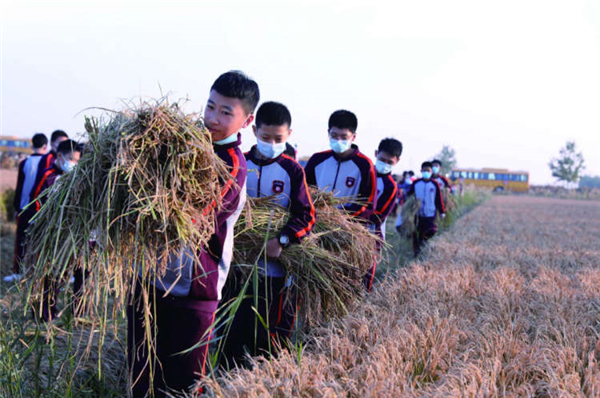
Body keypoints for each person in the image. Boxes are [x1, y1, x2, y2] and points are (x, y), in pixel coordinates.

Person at [127, 71, 258, 398]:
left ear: (246, 120)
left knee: (183, 385)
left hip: (195, 289)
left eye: (226, 112)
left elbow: (188, 218)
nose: (212, 118)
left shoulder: (232, 166)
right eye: (210, 106)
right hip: (148, 278)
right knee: (141, 377)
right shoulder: (180, 144)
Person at [221, 101, 315, 367]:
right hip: (236, 264)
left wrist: (282, 240)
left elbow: (306, 215)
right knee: (231, 330)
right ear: (254, 131)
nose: (271, 143)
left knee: (268, 335)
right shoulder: (239, 163)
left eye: (278, 139)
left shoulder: (293, 170)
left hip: (274, 270)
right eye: (265, 137)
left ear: (289, 135)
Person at [28, 139, 82, 321]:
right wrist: (40, 224)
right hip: (48, 234)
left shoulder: (75, 177)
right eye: (70, 159)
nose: (73, 164)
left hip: (66, 235)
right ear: (59, 156)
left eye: (76, 161)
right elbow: (35, 199)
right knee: (46, 274)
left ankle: (51, 308)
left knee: (61, 274)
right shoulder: (49, 175)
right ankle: (41, 312)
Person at [304, 110, 376, 222]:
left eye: (344, 137)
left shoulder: (365, 165)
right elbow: (305, 190)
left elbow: (368, 203)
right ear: (328, 133)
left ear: (353, 137)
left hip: (347, 226)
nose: (338, 140)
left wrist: (342, 217)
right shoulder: (317, 160)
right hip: (315, 221)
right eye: (334, 135)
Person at [5, 133, 48, 283]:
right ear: (45, 146)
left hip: (24, 207)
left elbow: (19, 187)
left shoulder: (25, 163)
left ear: (31, 146)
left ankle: (18, 271)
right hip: (42, 208)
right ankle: (39, 271)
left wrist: (17, 206)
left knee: (21, 240)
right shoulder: (49, 162)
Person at [366, 138, 402, 290]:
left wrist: (355, 216)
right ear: (375, 153)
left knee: (365, 271)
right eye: (382, 160)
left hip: (371, 234)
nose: (385, 164)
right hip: (348, 227)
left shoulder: (390, 186)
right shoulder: (364, 173)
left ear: (397, 161)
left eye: (389, 162)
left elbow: (379, 216)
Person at [408, 161, 445, 256]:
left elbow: (438, 198)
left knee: (431, 231)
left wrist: (442, 211)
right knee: (416, 234)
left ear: (431, 171)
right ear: (421, 171)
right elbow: (409, 197)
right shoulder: (416, 183)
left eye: (428, 170)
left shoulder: (435, 184)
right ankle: (416, 252)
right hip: (418, 213)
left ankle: (425, 244)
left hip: (430, 213)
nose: (426, 172)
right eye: (424, 170)